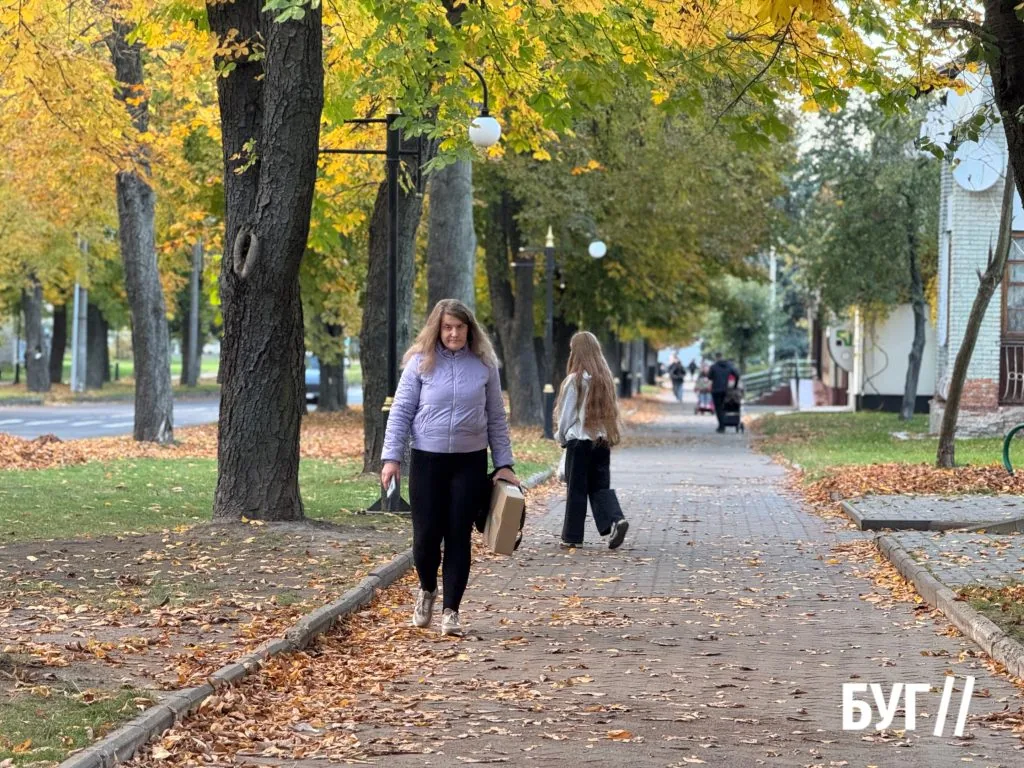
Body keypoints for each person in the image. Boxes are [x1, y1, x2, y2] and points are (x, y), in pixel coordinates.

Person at [381, 299, 518, 637]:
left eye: (459, 327)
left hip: (469, 462)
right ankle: (427, 588)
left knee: (458, 536)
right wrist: (391, 458)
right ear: (437, 329)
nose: (454, 333)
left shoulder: (484, 364)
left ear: (469, 329)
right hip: (428, 460)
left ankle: (451, 612)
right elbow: (400, 412)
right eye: (447, 327)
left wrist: (504, 464)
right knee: (426, 538)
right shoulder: (419, 363)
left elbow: (497, 418)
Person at [554, 331, 628, 550]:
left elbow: (566, 416)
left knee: (576, 490)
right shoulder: (604, 380)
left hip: (579, 443)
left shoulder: (574, 381)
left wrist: (561, 437)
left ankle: (572, 537)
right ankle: (616, 518)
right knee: (599, 487)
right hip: (601, 442)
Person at [707, 351, 741, 433]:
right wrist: (735, 386)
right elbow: (737, 375)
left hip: (716, 390)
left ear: (716, 357)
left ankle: (721, 426)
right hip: (726, 390)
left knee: (718, 408)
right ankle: (725, 423)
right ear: (722, 356)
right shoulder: (729, 366)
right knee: (725, 407)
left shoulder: (713, 367)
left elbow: (709, 377)